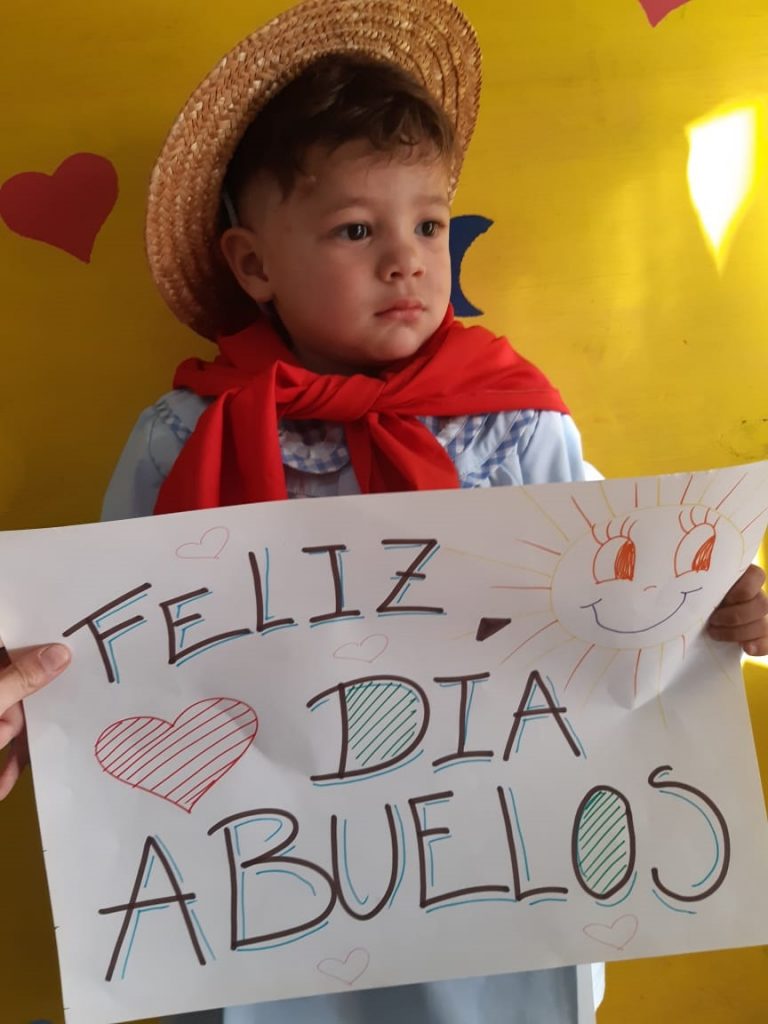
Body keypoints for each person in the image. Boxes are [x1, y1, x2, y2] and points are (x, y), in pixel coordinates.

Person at [1, 0, 767, 1022]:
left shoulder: (518, 427)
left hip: (489, 889)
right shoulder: (184, 436)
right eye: (355, 228)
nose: (406, 257)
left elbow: (619, 609)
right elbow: (95, 644)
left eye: (429, 222)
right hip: (267, 892)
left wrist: (717, 610)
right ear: (253, 264)